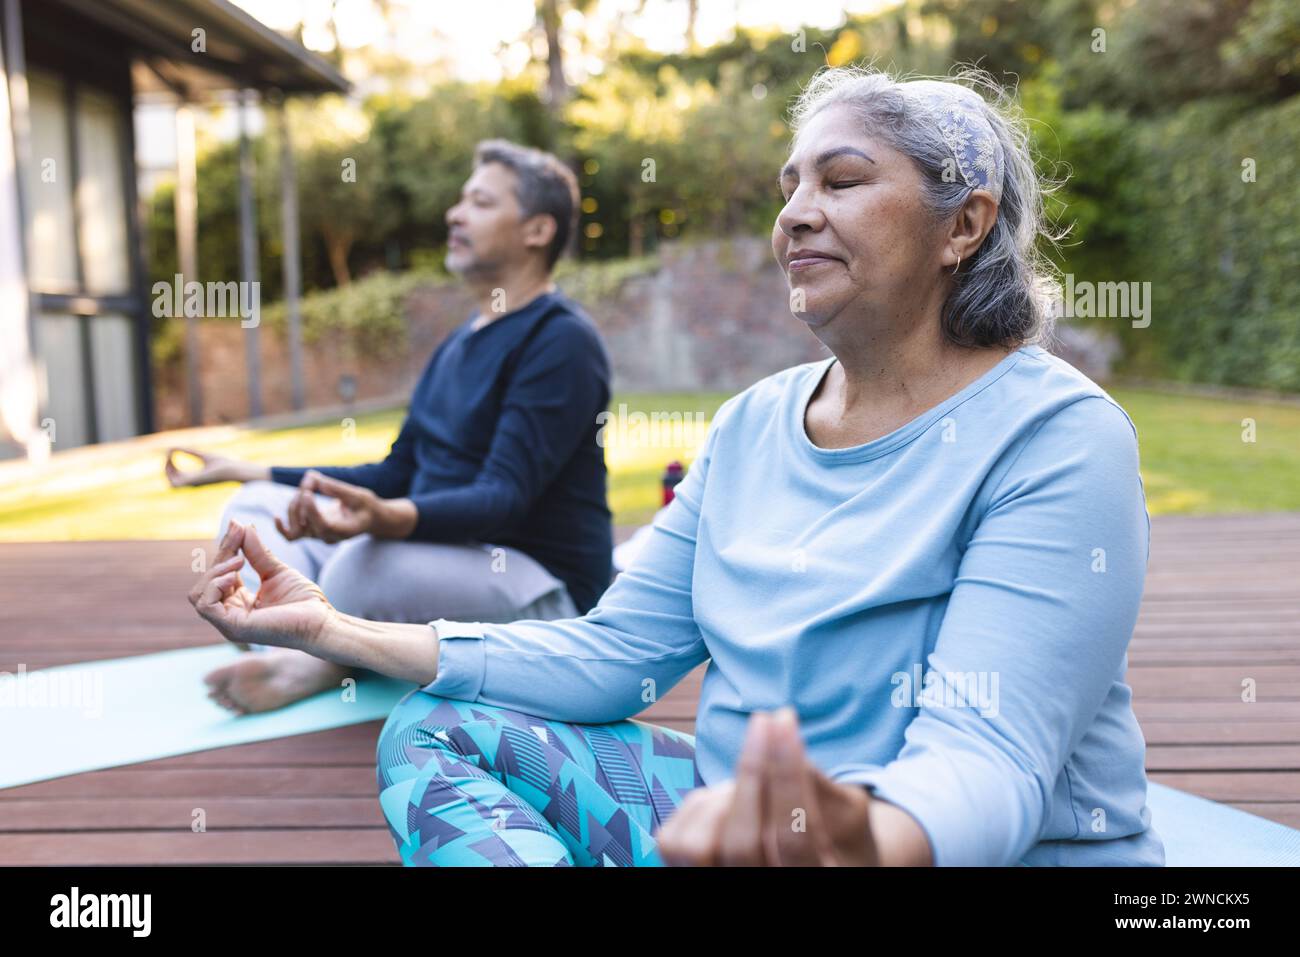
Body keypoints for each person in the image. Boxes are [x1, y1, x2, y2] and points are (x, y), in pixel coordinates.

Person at [189, 65, 1165, 867]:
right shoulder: (751, 426)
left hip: (917, 847)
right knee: (435, 728)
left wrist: (855, 839)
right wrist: (330, 629)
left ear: (962, 226)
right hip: (743, 827)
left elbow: (985, 761)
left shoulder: (1055, 437)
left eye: (841, 180)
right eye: (790, 187)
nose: (794, 216)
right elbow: (611, 658)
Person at [169, 140, 613, 715]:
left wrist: (387, 520)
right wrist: (252, 469)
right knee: (255, 505)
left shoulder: (560, 341)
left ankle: (319, 658)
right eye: (461, 200)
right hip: (429, 559)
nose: (455, 214)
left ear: (537, 231)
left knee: (359, 568)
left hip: (539, 586)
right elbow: (397, 470)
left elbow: (503, 499)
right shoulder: (460, 342)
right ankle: (311, 635)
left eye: (479, 202)